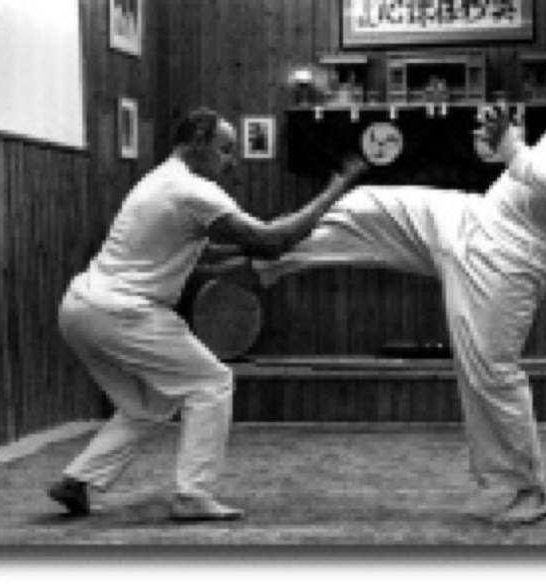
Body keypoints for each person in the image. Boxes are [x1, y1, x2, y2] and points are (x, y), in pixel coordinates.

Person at [216, 16, 546, 526]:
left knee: (489, 373)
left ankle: (526, 491)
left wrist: (512, 150)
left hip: (508, 259)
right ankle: (263, 260)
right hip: (475, 218)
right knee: (366, 206)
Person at [47, 107, 368, 520]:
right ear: (199, 140)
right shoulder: (192, 191)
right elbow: (271, 242)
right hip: (122, 313)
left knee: (148, 407)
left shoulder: (159, 180)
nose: (231, 161)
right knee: (211, 383)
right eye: (226, 149)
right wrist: (334, 191)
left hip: (80, 310)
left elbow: (210, 250)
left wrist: (269, 246)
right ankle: (192, 495)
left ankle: (76, 481)